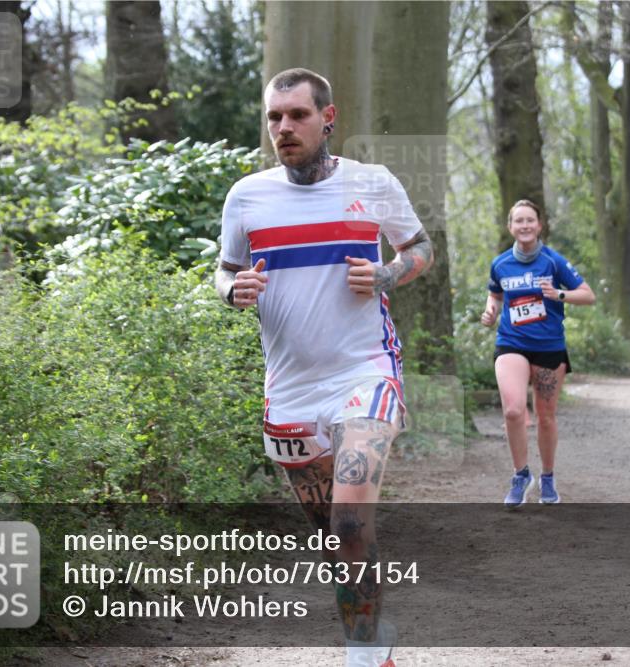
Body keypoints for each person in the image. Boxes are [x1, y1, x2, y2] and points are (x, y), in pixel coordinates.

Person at [215, 68, 433, 667]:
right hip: (289, 391)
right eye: (274, 117)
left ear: (328, 118)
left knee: (349, 519)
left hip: (364, 372)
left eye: (297, 115)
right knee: (334, 541)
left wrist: (388, 273)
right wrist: (232, 290)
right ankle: (371, 640)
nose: (283, 127)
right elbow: (225, 270)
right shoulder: (247, 197)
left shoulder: (374, 183)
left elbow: (420, 248)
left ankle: (360, 657)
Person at [481, 200, 596, 508]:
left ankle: (547, 477)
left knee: (545, 417)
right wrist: (490, 311)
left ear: (539, 225)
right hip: (511, 341)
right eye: (518, 221)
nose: (525, 226)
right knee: (513, 411)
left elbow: (588, 295)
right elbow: (495, 294)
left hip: (548, 347)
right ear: (510, 227)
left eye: (530, 220)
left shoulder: (553, 261)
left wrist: (559, 294)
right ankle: (520, 475)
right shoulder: (501, 263)